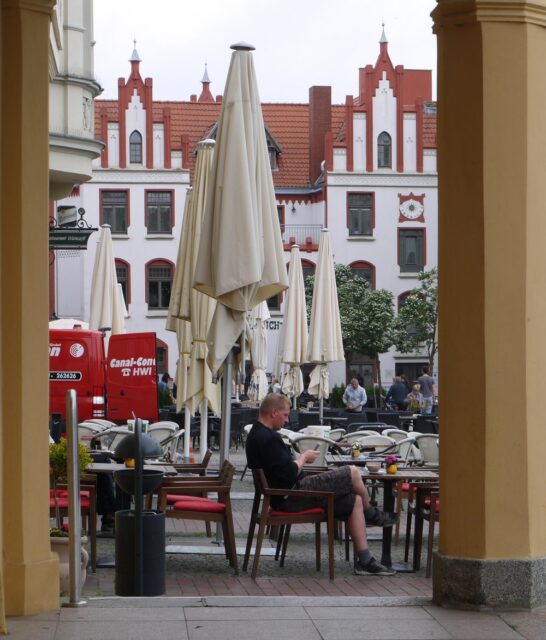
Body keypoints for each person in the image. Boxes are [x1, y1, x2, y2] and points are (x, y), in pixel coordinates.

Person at [245, 393, 397, 576]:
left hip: (285, 494)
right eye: (285, 415)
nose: (286, 420)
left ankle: (365, 561)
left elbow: (281, 469)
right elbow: (289, 472)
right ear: (273, 412)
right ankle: (372, 514)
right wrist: (303, 458)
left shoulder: (257, 433)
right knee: (353, 472)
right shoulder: (267, 437)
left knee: (354, 500)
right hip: (292, 495)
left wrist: (298, 462)